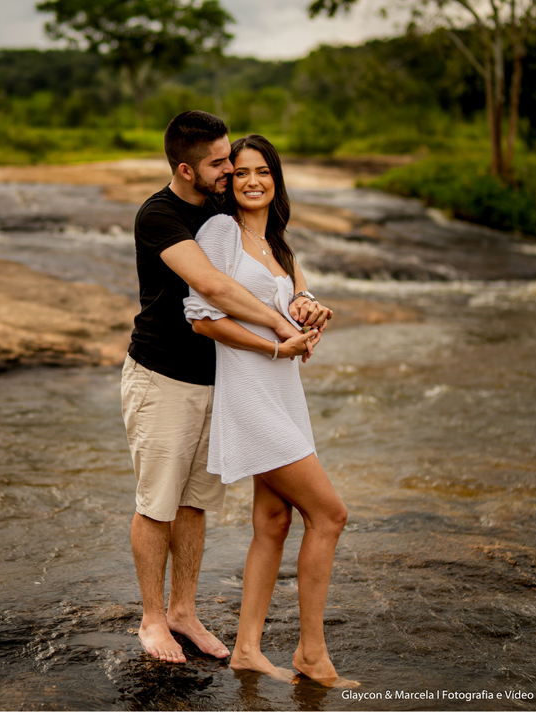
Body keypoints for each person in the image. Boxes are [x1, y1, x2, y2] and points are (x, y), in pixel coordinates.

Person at [121, 111, 332, 666]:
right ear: (187, 169)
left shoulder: (221, 202)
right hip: (163, 375)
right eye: (221, 163)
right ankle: (152, 618)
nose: (231, 171)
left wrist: (305, 299)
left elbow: (274, 254)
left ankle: (184, 611)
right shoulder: (160, 216)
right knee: (157, 501)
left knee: (194, 502)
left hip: (218, 377)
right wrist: (284, 330)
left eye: (234, 163)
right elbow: (213, 287)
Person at [183, 134, 358, 688]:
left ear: (275, 179)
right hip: (251, 392)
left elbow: (299, 307)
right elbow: (201, 316)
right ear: (227, 183)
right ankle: (311, 653)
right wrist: (275, 346)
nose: (252, 181)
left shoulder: (279, 245)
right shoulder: (220, 232)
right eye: (240, 174)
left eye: (262, 172)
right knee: (330, 515)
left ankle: (247, 650)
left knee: (273, 522)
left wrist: (309, 310)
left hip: (285, 393)